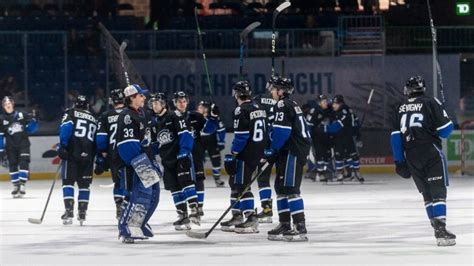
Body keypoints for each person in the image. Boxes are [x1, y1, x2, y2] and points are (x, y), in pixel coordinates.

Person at [391, 76, 456, 246]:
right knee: (438, 192)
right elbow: (445, 131)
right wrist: (445, 116)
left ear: (408, 89)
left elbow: (395, 137)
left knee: (427, 194)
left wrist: (399, 161)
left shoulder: (399, 107)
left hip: (411, 156)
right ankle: (441, 230)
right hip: (430, 152)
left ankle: (436, 228)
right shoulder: (430, 102)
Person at [264, 76, 311, 242]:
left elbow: (281, 132)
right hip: (288, 150)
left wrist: (272, 149)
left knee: (291, 188)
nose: (271, 91)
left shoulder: (283, 105)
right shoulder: (289, 104)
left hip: (293, 151)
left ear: (281, 91)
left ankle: (300, 227)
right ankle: (285, 224)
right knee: (281, 187)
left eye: (274, 88)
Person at [148, 92, 200, 230]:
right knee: (174, 188)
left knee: (186, 182)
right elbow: (154, 144)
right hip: (167, 161)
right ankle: (183, 216)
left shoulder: (174, 116)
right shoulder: (154, 122)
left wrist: (184, 152)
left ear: (164, 104)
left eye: (156, 103)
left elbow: (185, 134)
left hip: (179, 157)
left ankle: (195, 210)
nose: (154, 106)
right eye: (152, 103)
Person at [221, 80, 267, 233]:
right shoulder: (259, 107)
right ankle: (237, 215)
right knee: (235, 181)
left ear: (236, 94)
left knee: (241, 185)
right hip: (257, 152)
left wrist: (233, 153)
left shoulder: (241, 110)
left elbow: (241, 137)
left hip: (246, 153)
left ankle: (250, 217)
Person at [116, 84, 161, 243]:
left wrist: (152, 161)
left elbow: (147, 142)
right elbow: (126, 145)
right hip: (137, 162)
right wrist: (141, 163)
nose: (144, 98)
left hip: (145, 160)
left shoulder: (141, 114)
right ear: (132, 98)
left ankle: (140, 223)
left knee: (154, 195)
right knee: (142, 194)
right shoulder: (127, 116)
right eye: (141, 95)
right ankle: (127, 227)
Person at [172, 92, 219, 217]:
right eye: (179, 101)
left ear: (187, 102)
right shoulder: (171, 118)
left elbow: (208, 129)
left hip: (196, 153)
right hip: (180, 155)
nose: (182, 104)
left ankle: (199, 207)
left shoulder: (195, 116)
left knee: (198, 179)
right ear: (174, 103)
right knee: (181, 182)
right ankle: (184, 210)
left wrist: (213, 117)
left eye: (184, 101)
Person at [58, 95, 97, 225]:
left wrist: (63, 146)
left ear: (75, 104)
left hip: (72, 154)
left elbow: (66, 129)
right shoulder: (94, 118)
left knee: (68, 183)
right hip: (88, 157)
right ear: (87, 105)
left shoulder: (71, 113)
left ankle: (69, 212)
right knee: (84, 185)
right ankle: (82, 213)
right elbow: (98, 139)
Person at [95, 88, 127, 220]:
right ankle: (130, 205)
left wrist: (102, 151)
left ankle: (119, 207)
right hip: (129, 153)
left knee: (118, 182)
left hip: (114, 154)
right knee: (130, 181)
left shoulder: (105, 116)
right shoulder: (130, 113)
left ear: (112, 101)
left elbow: (101, 137)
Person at [252, 76, 278, 223]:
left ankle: (267, 210)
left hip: (265, 146)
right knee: (283, 183)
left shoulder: (260, 99)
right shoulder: (285, 102)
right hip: (281, 146)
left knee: (263, 179)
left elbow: (247, 109)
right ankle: (287, 215)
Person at [0, 96, 38, 198]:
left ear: (13, 104)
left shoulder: (22, 115)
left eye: (9, 103)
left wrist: (34, 122)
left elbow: (32, 130)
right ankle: (15, 186)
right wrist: (1, 150)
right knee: (12, 165)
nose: (7, 105)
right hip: (10, 147)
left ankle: (22, 184)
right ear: (3, 106)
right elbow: (0, 136)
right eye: (5, 104)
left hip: (23, 144)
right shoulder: (1, 119)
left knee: (23, 162)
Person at [324, 95, 364, 183]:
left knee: (353, 155)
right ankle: (340, 173)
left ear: (341, 104)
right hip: (338, 138)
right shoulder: (335, 111)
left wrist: (324, 129)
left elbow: (336, 127)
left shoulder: (345, 112)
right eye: (334, 103)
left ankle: (356, 172)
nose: (334, 105)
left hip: (347, 137)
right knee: (338, 156)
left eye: (336, 104)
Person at [306, 95, 334, 182]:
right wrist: (308, 137)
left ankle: (324, 172)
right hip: (317, 138)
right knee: (319, 155)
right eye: (324, 102)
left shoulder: (329, 111)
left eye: (326, 101)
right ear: (319, 103)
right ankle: (319, 173)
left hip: (327, 137)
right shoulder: (314, 111)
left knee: (327, 156)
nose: (326, 103)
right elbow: (309, 124)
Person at [199, 100, 226, 187]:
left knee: (216, 161)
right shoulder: (196, 117)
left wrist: (221, 141)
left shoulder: (215, 119)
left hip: (212, 142)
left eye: (202, 106)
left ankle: (217, 179)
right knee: (198, 161)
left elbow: (221, 130)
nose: (199, 108)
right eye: (200, 106)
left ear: (207, 109)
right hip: (200, 142)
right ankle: (198, 178)